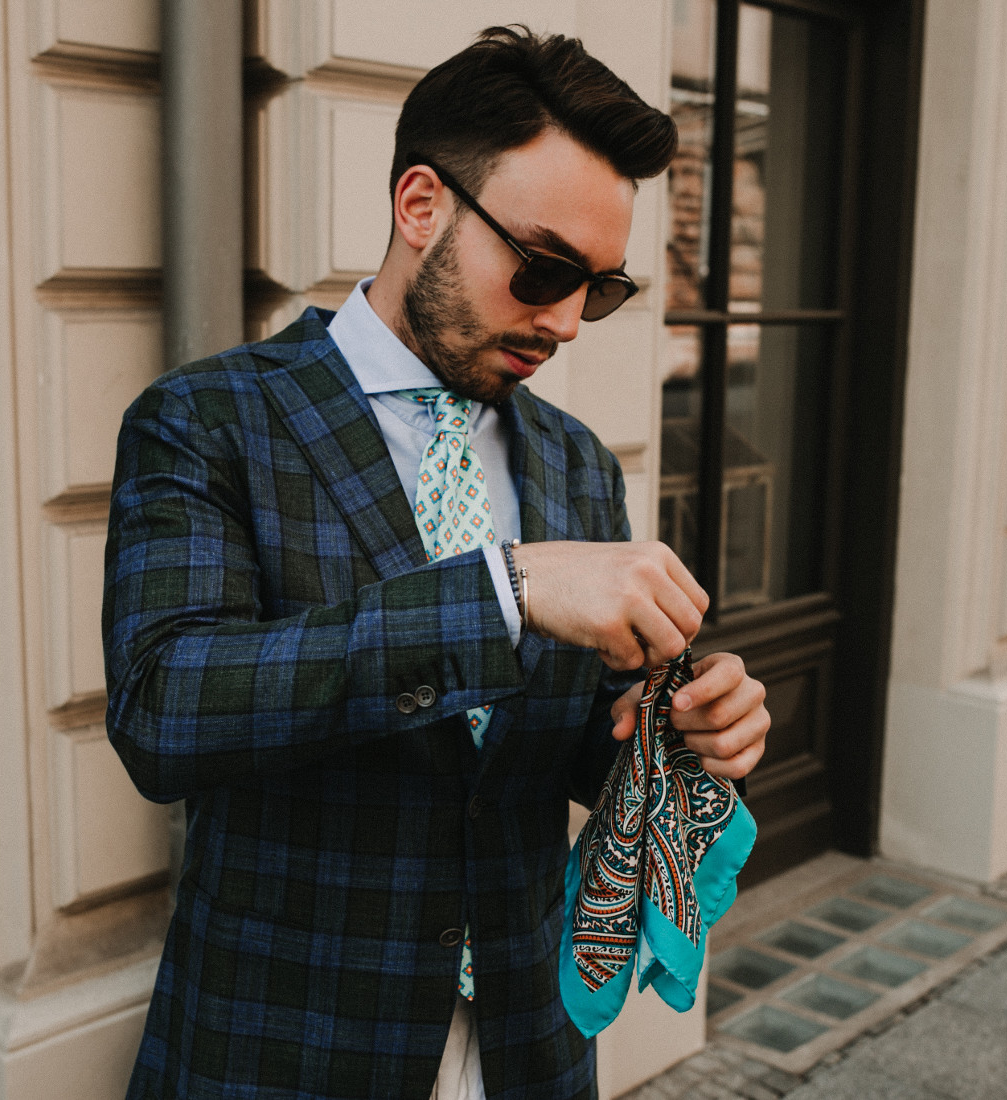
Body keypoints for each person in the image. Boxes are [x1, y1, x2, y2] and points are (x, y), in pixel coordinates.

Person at [104, 26, 770, 1100]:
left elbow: (568, 754)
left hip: (528, 1041)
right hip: (290, 1041)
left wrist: (683, 731)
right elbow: (163, 709)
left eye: (596, 288)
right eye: (543, 266)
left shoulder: (575, 459)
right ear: (422, 206)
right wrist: (501, 591)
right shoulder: (211, 420)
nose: (562, 318)